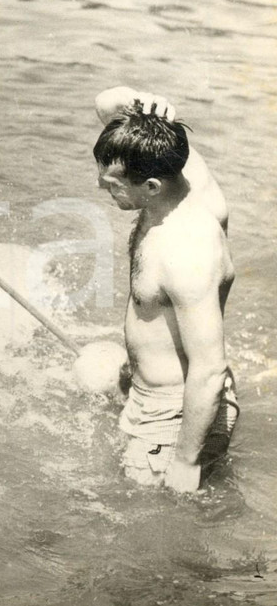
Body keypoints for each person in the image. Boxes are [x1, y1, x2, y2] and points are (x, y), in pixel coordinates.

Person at [92, 86, 237, 492]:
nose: (102, 188)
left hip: (171, 411)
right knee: (88, 366)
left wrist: (186, 462)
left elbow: (209, 370)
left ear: (151, 186)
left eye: (111, 184)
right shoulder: (180, 176)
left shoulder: (186, 249)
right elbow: (106, 104)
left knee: (140, 521)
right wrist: (141, 100)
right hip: (148, 392)